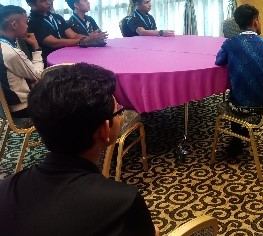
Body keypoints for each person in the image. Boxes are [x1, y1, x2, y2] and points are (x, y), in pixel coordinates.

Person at [0, 63, 159, 236]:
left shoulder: (6, 188)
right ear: (105, 130)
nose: (120, 114)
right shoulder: (123, 202)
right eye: (118, 111)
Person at [215, 4, 263, 154]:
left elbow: (219, 61)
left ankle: (237, 139)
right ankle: (244, 133)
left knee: (233, 97)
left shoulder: (230, 43)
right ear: (255, 21)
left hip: (240, 108)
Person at [22, 0, 107, 64]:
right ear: (32, 4)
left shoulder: (56, 17)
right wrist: (84, 40)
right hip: (51, 61)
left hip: (68, 55)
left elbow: (73, 35)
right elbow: (54, 42)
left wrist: (90, 38)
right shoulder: (33, 23)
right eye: (43, 1)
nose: (48, 2)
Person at [0, 5, 44, 117]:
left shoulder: (4, 46)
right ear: (14, 25)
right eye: (26, 22)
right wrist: (36, 48)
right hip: (23, 108)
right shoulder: (11, 53)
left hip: (6, 107)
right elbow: (38, 75)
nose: (28, 26)